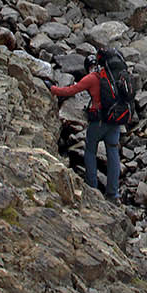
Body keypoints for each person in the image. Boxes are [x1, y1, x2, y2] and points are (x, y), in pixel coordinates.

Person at [48, 53, 123, 202]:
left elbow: (71, 90)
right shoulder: (113, 75)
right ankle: (113, 194)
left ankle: (92, 187)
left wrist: (53, 89)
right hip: (115, 121)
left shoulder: (92, 78)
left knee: (90, 151)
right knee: (113, 153)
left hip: (98, 122)